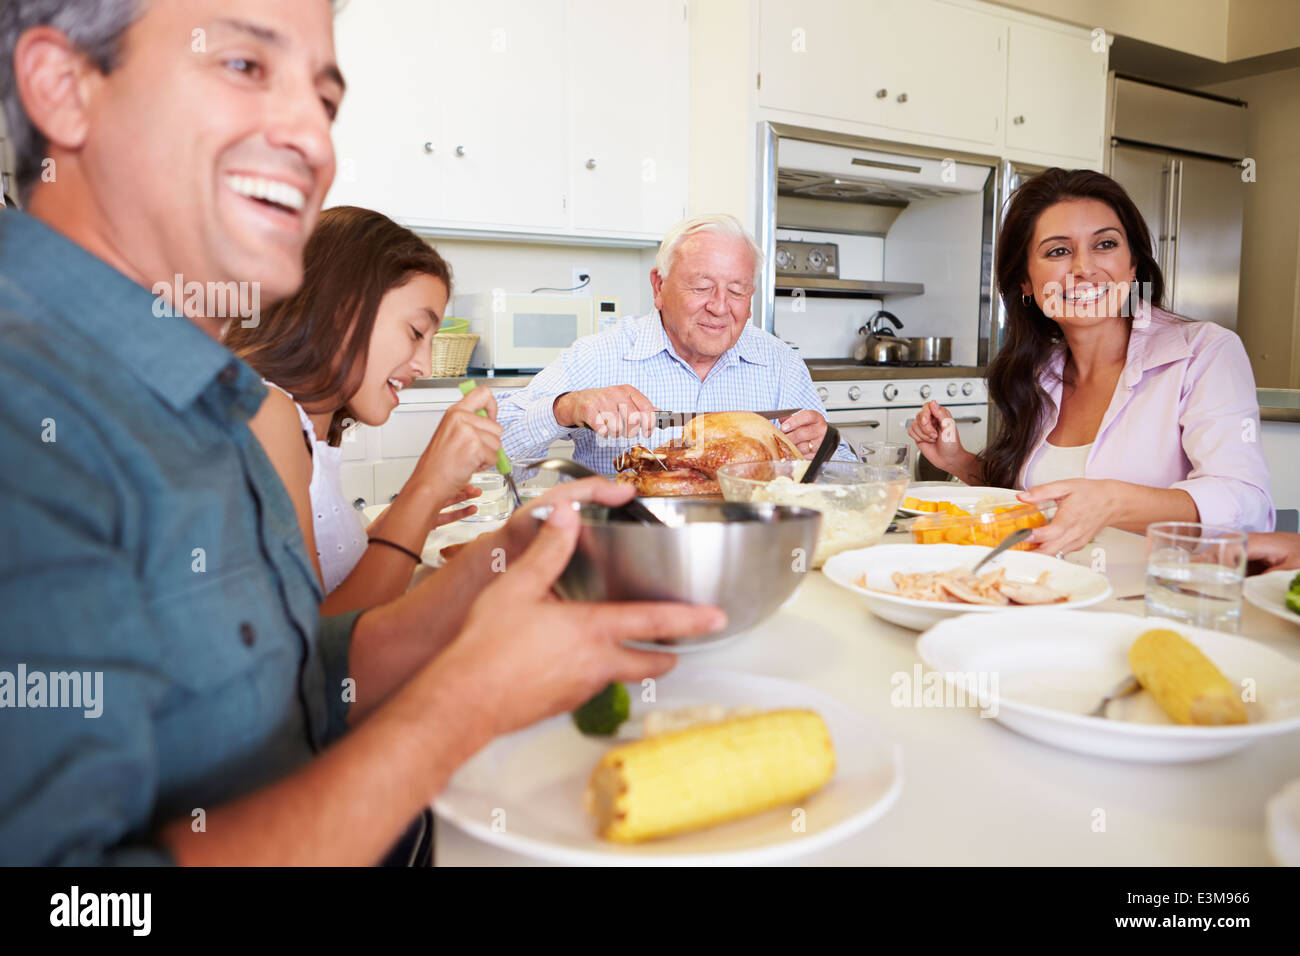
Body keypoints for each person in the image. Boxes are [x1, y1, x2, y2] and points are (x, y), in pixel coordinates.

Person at [0, 0, 725, 866]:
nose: (313, 137)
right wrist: (462, 704)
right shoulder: (27, 411)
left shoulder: (211, 397)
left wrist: (490, 570)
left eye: (326, 100)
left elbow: (295, 683)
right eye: (244, 67)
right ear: (63, 88)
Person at [908, 168, 1273, 557]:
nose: (1084, 268)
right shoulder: (1036, 372)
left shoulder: (1206, 352)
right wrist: (960, 461)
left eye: (1105, 244)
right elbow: (1033, 503)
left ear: (1132, 266)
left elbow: (1249, 506)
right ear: (1026, 283)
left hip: (1156, 601)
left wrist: (1113, 502)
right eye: (1058, 251)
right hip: (1048, 593)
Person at [225, 205, 498, 612]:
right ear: (343, 308)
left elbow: (326, 581)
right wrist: (422, 492)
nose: (423, 366)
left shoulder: (313, 429)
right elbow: (308, 651)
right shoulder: (265, 414)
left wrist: (404, 520)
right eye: (416, 332)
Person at [497, 213, 854, 474]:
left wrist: (825, 450)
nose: (719, 307)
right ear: (658, 287)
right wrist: (567, 407)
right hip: (624, 550)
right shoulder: (599, 356)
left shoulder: (781, 363)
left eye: (737, 290)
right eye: (701, 287)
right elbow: (494, 446)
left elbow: (848, 479)